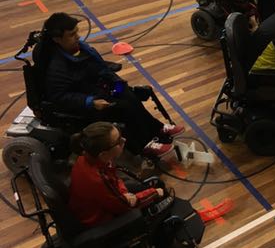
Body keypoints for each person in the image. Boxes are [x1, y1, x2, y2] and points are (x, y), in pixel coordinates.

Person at [41, 13, 181, 158]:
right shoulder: (57, 68)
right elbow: (59, 97)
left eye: (77, 31)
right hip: (90, 102)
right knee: (124, 107)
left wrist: (117, 82)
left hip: (102, 89)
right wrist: (91, 102)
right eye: (71, 34)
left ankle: (157, 129)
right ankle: (144, 145)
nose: (77, 36)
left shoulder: (82, 49)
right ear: (57, 39)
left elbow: (101, 68)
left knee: (128, 94)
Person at [68, 122, 166, 227]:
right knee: (160, 191)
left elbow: (114, 179)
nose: (124, 140)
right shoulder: (98, 179)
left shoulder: (87, 156)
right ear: (103, 153)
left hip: (107, 202)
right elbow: (124, 206)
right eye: (118, 141)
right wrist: (154, 193)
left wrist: (124, 193)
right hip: (103, 220)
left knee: (147, 187)